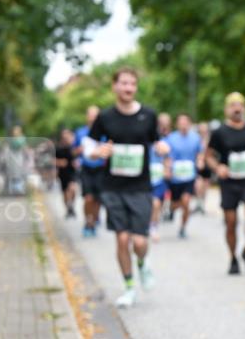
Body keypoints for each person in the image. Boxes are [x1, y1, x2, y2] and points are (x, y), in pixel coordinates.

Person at [84, 68, 170, 308]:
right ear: (114, 86)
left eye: (132, 83)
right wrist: (97, 152)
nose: (128, 88)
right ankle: (129, 287)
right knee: (122, 240)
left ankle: (142, 264)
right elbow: (89, 144)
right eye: (123, 83)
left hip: (140, 187)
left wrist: (162, 148)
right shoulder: (106, 117)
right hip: (113, 187)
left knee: (140, 243)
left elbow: (158, 141)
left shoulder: (148, 115)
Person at [207, 92, 245, 275]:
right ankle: (233, 257)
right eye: (233, 105)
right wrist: (218, 168)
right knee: (231, 222)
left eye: (240, 104)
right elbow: (208, 156)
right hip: (229, 182)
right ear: (226, 109)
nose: (237, 108)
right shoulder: (219, 132)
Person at [166, 113, 203, 239]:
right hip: (175, 177)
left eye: (186, 122)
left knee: (186, 201)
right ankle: (171, 208)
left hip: (189, 175)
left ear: (189, 123)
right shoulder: (171, 138)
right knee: (175, 204)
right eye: (181, 122)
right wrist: (168, 169)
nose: (183, 125)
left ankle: (182, 227)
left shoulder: (195, 138)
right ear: (177, 124)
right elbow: (167, 156)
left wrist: (200, 162)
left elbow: (199, 153)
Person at [74, 106, 105, 237]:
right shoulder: (80, 132)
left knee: (98, 199)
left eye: (96, 115)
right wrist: (78, 152)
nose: (93, 117)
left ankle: (95, 219)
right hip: (86, 168)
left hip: (100, 168)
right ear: (87, 116)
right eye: (91, 114)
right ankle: (88, 221)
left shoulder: (104, 132)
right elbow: (74, 151)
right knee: (88, 198)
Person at [54, 128, 78, 218]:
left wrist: (77, 162)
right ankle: (68, 208)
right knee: (65, 192)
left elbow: (78, 157)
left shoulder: (73, 147)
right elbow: (52, 160)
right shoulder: (58, 148)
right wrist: (60, 162)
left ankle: (71, 205)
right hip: (63, 173)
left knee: (72, 189)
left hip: (72, 172)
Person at [194, 121, 212, 214]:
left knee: (205, 185)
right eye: (201, 127)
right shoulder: (196, 139)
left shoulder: (210, 139)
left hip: (208, 165)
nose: (203, 129)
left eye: (204, 127)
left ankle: (202, 204)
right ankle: (198, 203)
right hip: (198, 164)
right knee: (198, 185)